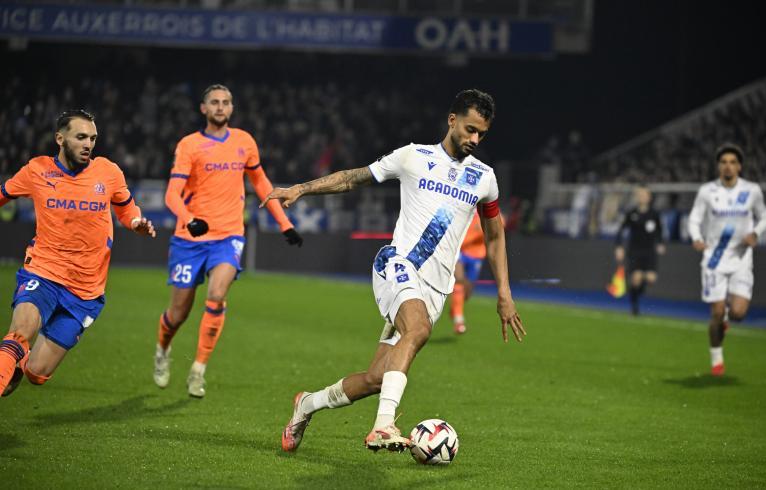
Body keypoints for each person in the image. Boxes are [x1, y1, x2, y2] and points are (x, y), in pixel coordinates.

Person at [263, 89, 526, 452]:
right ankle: (384, 426)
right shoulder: (413, 157)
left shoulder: (484, 178)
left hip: (435, 288)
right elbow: (354, 178)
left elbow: (495, 239)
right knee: (417, 329)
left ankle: (306, 404)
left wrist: (504, 294)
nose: (474, 139)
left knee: (376, 378)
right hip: (397, 264)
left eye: (481, 134)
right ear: (452, 120)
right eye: (469, 129)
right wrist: (303, 189)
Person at [153, 84, 303, 398]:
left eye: (226, 102)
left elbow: (260, 182)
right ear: (203, 109)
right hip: (190, 238)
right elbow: (171, 194)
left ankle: (198, 370)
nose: (221, 107)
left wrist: (285, 223)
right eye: (214, 102)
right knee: (178, 312)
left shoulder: (244, 141)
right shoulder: (189, 145)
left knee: (217, 294)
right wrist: (188, 219)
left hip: (229, 235)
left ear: (231, 108)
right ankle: (162, 350)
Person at [0, 109, 156, 396]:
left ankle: (18, 363)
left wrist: (135, 222)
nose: (88, 144)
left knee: (36, 373)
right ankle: (13, 355)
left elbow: (125, 207)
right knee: (19, 333)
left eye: (93, 138)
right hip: (43, 272)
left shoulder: (108, 172)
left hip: (85, 290)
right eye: (81, 137)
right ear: (60, 138)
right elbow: (3, 193)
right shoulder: (37, 170)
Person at [688, 144, 766, 376]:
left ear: (739, 166)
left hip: (741, 257)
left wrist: (755, 234)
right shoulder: (707, 191)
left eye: (733, 162)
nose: (728, 166)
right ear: (718, 166)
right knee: (715, 312)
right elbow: (694, 218)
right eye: (724, 162)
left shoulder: (752, 190)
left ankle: (727, 318)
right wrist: (696, 237)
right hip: (714, 257)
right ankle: (716, 359)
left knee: (738, 313)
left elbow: (764, 217)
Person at [614, 186, 665, 315]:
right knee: (636, 278)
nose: (642, 197)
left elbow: (660, 231)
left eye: (645, 195)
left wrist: (660, 243)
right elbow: (621, 230)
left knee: (651, 279)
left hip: (649, 251)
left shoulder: (654, 214)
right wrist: (619, 247)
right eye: (640, 195)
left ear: (649, 197)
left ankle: (636, 290)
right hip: (634, 251)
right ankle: (634, 306)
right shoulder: (631, 213)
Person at [450, 210, 487, 334]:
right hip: (460, 252)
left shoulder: (485, 213)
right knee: (459, 281)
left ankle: (455, 308)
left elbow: (499, 224)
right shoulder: (464, 208)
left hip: (476, 255)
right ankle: (459, 320)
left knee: (467, 292)